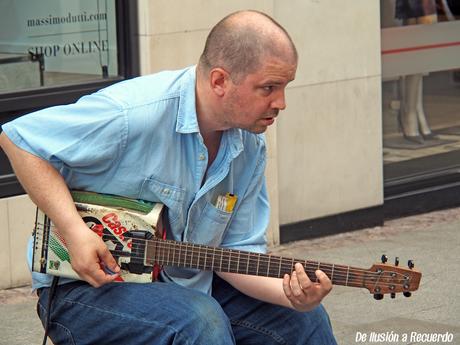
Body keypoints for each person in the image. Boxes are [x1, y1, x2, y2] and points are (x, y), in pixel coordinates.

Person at [0, 10, 337, 345]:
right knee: (198, 319)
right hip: (83, 290)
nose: (281, 102)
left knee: (303, 320)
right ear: (219, 81)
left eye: (284, 87)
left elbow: (235, 254)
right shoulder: (132, 114)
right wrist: (74, 232)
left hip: (185, 287)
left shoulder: (249, 145)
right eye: (269, 87)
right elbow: (18, 140)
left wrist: (290, 294)